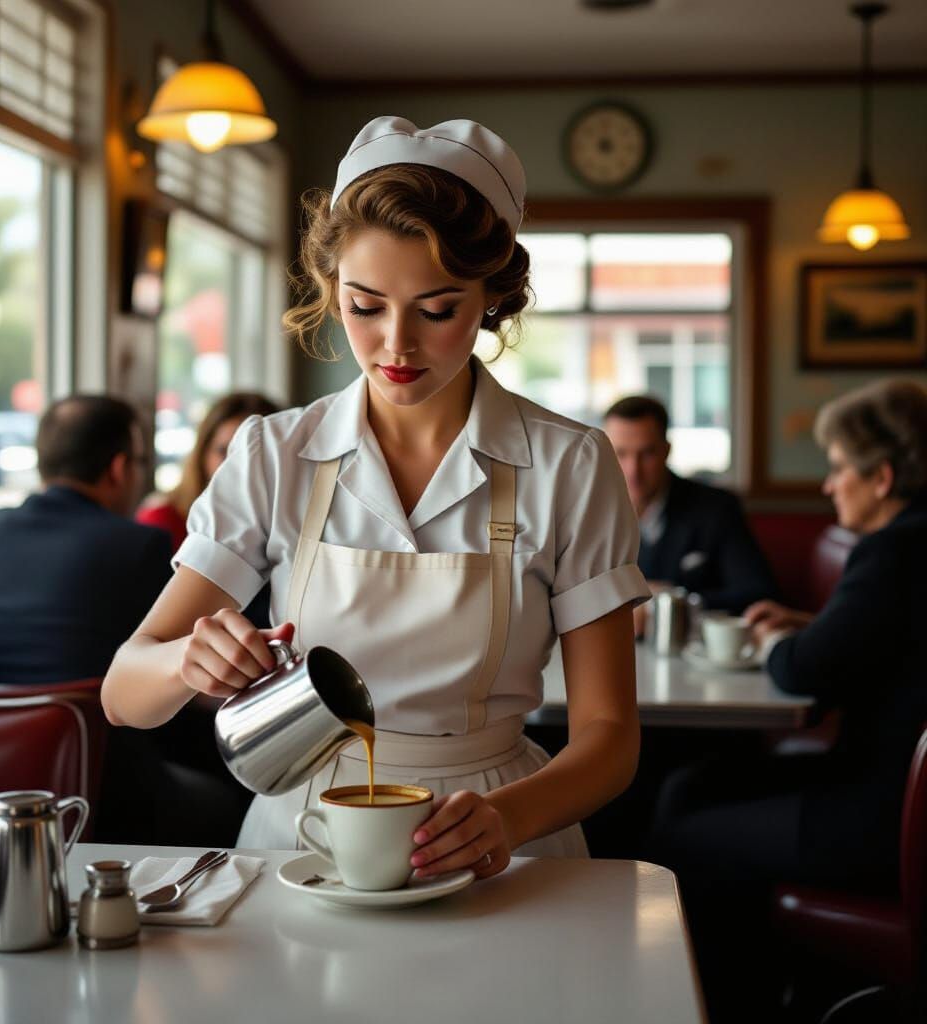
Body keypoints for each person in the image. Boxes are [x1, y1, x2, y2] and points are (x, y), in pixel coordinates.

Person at [103, 116, 649, 874]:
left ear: (492, 298)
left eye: (437, 309)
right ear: (331, 290)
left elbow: (611, 734)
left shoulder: (569, 464)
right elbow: (124, 692)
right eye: (365, 307)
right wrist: (187, 663)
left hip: (501, 831)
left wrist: (509, 817)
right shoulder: (274, 453)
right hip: (306, 829)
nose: (397, 345)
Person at [647, 378, 927, 1023]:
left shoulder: (893, 552)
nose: (828, 486)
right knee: (685, 784)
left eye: (836, 469)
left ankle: (724, 1001)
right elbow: (868, 644)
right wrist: (807, 623)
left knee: (677, 832)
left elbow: (805, 673)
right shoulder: (913, 545)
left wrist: (776, 640)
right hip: (879, 788)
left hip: (879, 821)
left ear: (880, 478)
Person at [0, 395, 171, 683]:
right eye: (140, 462)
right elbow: (169, 658)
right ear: (119, 468)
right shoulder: (141, 544)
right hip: (93, 723)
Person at [603, 395, 777, 634]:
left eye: (647, 453)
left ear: (667, 450)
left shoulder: (717, 508)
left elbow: (758, 592)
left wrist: (672, 601)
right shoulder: (586, 512)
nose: (633, 470)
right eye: (620, 453)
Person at [137, 392, 280, 552]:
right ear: (202, 454)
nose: (235, 465)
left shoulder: (287, 526)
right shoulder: (162, 521)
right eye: (223, 450)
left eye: (251, 454)